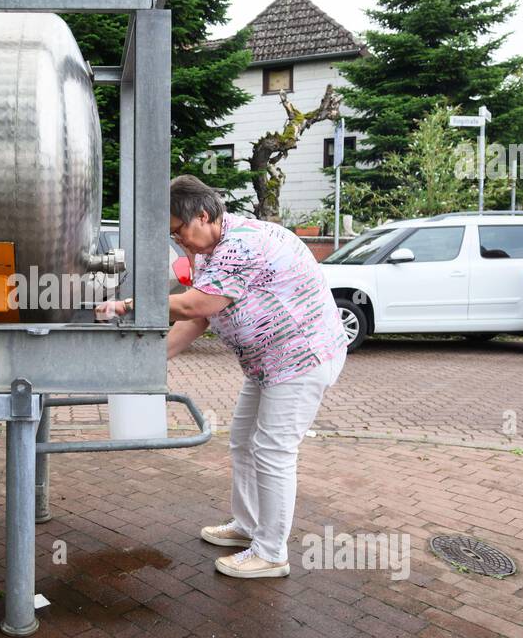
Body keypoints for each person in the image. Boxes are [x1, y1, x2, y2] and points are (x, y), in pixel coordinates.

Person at [97, 175, 347, 578]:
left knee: (273, 450)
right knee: (243, 442)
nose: (179, 242)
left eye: (179, 232)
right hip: (267, 361)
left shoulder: (241, 243)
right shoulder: (210, 251)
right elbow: (201, 318)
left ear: (203, 214)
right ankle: (248, 527)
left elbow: (197, 304)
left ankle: (271, 552)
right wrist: (151, 364)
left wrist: (127, 305)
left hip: (300, 357)